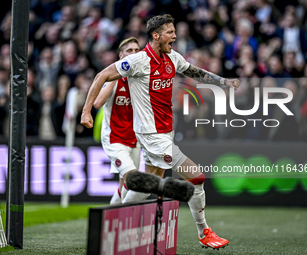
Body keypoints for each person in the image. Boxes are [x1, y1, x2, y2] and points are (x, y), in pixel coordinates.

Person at [81, 14, 240, 249]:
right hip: (151, 136)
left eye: (174, 31)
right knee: (196, 177)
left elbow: (193, 71)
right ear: (156, 36)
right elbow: (101, 75)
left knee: (149, 183)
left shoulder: (172, 57)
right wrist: (86, 112)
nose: (175, 36)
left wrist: (222, 81)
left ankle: (112, 224)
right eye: (170, 32)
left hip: (165, 133)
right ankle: (204, 232)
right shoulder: (139, 61)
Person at [93, 37, 150, 204]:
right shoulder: (113, 79)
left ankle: (111, 222)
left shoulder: (142, 80)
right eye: (129, 51)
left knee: (124, 185)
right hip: (115, 139)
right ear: (121, 56)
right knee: (132, 179)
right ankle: (122, 219)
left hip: (134, 140)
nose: (133, 54)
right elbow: (98, 103)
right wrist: (116, 75)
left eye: (136, 51)